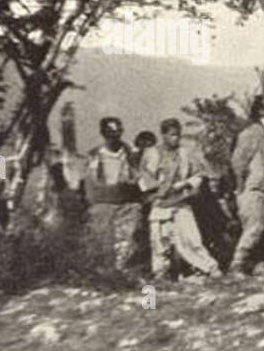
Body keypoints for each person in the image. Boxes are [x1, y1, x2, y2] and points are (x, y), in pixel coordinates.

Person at [145, 118, 221, 279]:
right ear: (164, 135)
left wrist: (186, 184)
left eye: (178, 135)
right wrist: (159, 190)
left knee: (191, 239)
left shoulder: (185, 153)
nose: (176, 138)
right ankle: (161, 273)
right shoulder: (153, 153)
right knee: (160, 242)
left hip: (182, 200)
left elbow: (198, 174)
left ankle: (209, 268)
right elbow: (145, 178)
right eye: (172, 135)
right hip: (161, 204)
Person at [230, 95, 264, 276]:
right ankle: (237, 264)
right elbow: (238, 161)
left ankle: (261, 267)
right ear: (261, 111)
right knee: (254, 228)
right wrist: (241, 186)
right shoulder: (252, 132)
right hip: (255, 187)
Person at [86, 116, 143, 270]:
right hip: (104, 203)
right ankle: (105, 273)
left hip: (126, 202)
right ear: (103, 133)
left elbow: (137, 176)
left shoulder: (129, 152)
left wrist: (131, 183)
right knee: (104, 242)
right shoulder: (95, 154)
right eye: (110, 132)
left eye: (118, 131)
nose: (115, 135)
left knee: (127, 240)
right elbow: (93, 181)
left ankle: (123, 271)